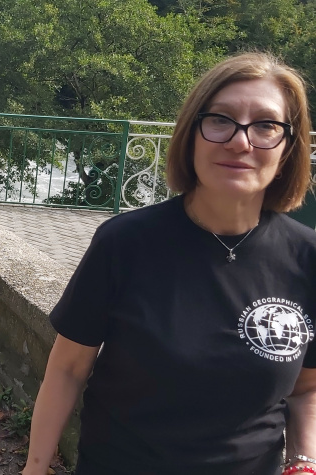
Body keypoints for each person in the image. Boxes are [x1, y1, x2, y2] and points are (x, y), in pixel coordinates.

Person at [24, 52, 316, 475]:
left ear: (288, 147)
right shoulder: (125, 242)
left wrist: (304, 460)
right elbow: (68, 369)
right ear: (191, 134)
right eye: (221, 119)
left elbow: (307, 389)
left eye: (266, 125)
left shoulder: (307, 257)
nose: (240, 141)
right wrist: (35, 468)